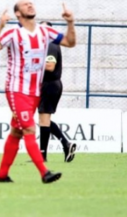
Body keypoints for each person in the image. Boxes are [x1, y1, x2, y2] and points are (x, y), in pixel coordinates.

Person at [0, 0, 76, 184]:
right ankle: (44, 172)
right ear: (17, 13)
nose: (30, 5)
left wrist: (70, 23)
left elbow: (69, 42)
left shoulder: (45, 31)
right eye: (25, 4)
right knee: (29, 128)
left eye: (31, 3)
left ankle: (2, 175)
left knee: (16, 133)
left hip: (36, 91)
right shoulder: (13, 33)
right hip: (16, 89)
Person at [38, 21, 76, 163]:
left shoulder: (51, 44)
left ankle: (44, 156)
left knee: (43, 120)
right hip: (49, 85)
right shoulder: (46, 45)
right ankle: (65, 145)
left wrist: (33, 62)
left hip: (50, 85)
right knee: (44, 121)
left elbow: (49, 66)